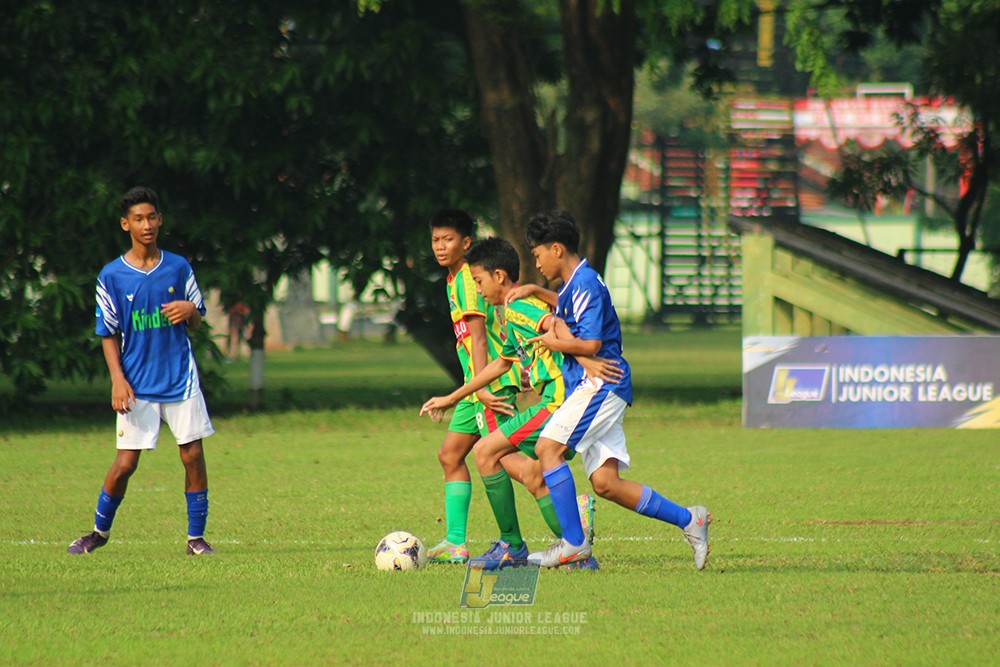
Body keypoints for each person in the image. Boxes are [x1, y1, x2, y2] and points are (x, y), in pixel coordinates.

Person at [510, 210, 711, 570]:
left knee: (546, 448)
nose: (536, 262)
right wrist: (537, 291)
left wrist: (553, 344)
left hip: (602, 384)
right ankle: (689, 519)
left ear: (557, 249)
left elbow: (590, 343)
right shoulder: (574, 284)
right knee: (605, 483)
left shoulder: (584, 282)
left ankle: (573, 543)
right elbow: (570, 313)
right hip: (598, 385)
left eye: (538, 254)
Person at [420, 237, 599, 570]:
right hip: (554, 402)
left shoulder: (517, 307)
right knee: (514, 463)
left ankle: (517, 545)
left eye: (479, 281)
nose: (478, 289)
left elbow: (553, 323)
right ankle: (572, 552)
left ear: (499, 277)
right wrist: (452, 396)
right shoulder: (508, 314)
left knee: (489, 453)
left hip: (559, 403)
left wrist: (582, 355)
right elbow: (500, 364)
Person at [67, 186, 216, 556]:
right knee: (125, 464)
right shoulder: (113, 276)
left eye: (152, 217)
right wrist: (117, 380)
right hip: (136, 383)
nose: (146, 224)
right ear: (125, 224)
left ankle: (195, 540)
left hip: (180, 377)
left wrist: (190, 311)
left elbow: (197, 320)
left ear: (160, 220)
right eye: (138, 219)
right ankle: (99, 533)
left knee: (193, 455)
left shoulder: (179, 267)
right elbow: (108, 333)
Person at [425, 210, 522, 564]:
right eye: (435, 239)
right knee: (450, 456)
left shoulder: (468, 279)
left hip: (487, 384)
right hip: (474, 385)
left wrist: (481, 389)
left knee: (503, 460)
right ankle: (455, 543)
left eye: (448, 239)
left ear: (465, 243)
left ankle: (571, 511)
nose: (440, 246)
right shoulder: (453, 279)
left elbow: (479, 339)